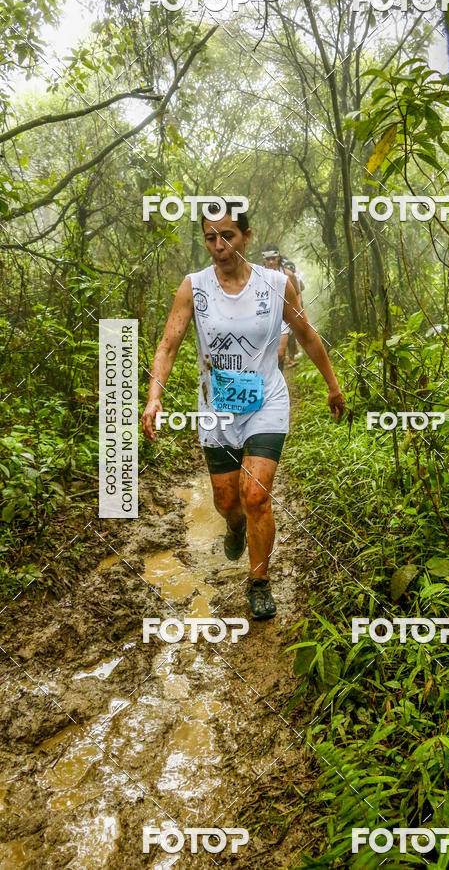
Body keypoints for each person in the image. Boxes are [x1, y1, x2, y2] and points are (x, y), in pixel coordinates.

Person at [142, 204, 345, 620]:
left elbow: (306, 334)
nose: (219, 246)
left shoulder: (276, 284)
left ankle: (259, 582)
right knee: (228, 502)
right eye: (210, 238)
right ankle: (234, 527)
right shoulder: (194, 287)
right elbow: (168, 345)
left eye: (228, 236)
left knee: (255, 495)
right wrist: (154, 397)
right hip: (216, 408)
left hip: (267, 402)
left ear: (246, 237)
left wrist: (333, 385)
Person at [262, 244, 301, 371]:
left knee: (279, 353)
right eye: (268, 259)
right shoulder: (258, 275)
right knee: (266, 354)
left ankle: (279, 377)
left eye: (273, 258)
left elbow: (297, 293)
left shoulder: (288, 274)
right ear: (264, 260)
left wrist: (297, 311)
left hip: (284, 318)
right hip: (264, 317)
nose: (271, 262)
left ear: (278, 257)